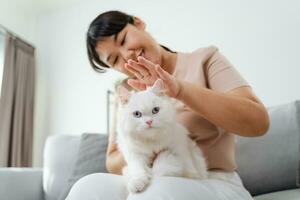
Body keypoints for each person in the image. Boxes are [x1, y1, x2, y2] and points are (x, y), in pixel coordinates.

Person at [66, 10, 270, 200]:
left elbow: (258, 122)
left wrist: (180, 90)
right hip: (147, 173)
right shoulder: (128, 93)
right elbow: (112, 162)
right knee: (88, 188)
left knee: (154, 191)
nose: (126, 55)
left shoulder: (204, 60)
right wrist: (140, 145)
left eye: (124, 39)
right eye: (115, 59)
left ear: (138, 23)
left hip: (212, 180)